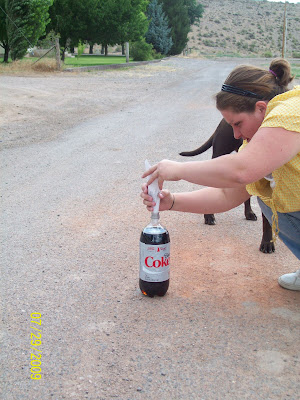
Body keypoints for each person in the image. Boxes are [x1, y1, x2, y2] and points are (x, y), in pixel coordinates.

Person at [141, 58, 300, 291]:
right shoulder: (261, 137)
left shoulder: (290, 112)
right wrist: (172, 201)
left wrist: (179, 169)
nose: (236, 135)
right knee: (265, 196)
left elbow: (240, 171)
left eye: (238, 124)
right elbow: (228, 194)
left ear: (261, 108)